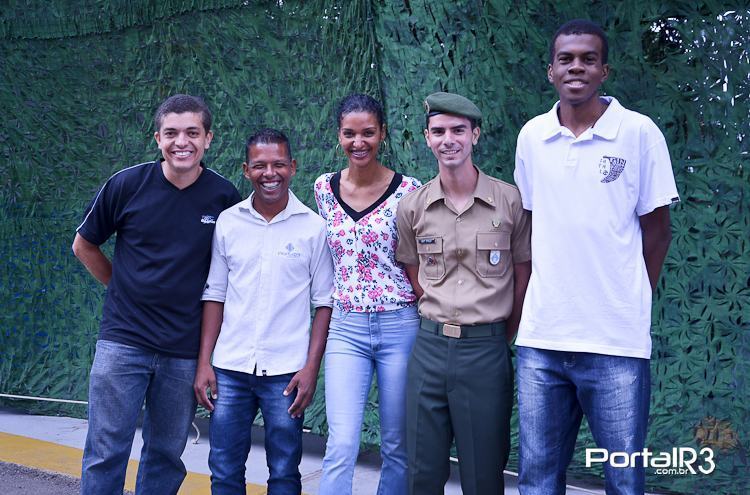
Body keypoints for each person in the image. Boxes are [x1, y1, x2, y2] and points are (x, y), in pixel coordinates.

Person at [513, 19, 679, 495]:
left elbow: (658, 232)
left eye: (588, 59)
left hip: (616, 342)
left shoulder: (639, 133)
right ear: (550, 70)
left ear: (605, 70)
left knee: (623, 479)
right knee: (537, 479)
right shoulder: (532, 136)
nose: (576, 67)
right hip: (542, 339)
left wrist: (629, 297)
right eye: (566, 59)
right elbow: (530, 225)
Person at [72, 94, 241, 494]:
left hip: (184, 351)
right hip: (123, 343)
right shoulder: (127, 184)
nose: (182, 142)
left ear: (208, 138)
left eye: (192, 133)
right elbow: (84, 245)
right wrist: (121, 287)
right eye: (171, 133)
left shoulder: (224, 197)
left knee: (166, 454)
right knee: (105, 451)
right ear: (157, 139)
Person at [396, 92, 532, 495]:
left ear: (475, 134)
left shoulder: (509, 201)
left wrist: (497, 332)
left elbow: (522, 272)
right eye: (438, 131)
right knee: (421, 472)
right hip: (429, 348)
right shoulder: (413, 207)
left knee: (483, 474)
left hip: (485, 351)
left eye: (458, 130)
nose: (448, 140)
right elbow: (413, 269)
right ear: (427, 138)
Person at [194, 128, 334, 495]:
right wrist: (205, 362)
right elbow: (215, 295)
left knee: (285, 473)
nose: (269, 173)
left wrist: (310, 368)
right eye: (259, 165)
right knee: (224, 469)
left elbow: (324, 303)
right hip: (230, 368)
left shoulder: (313, 228)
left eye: (278, 164)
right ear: (246, 170)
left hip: (286, 373)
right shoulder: (228, 222)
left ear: (293, 167)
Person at [314, 94, 422, 495]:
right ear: (339, 135)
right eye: (350, 134)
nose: (358, 142)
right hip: (346, 328)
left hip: (400, 326)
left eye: (368, 133)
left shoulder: (409, 190)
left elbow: (417, 261)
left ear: (382, 134)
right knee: (341, 443)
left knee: (397, 445)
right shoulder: (324, 188)